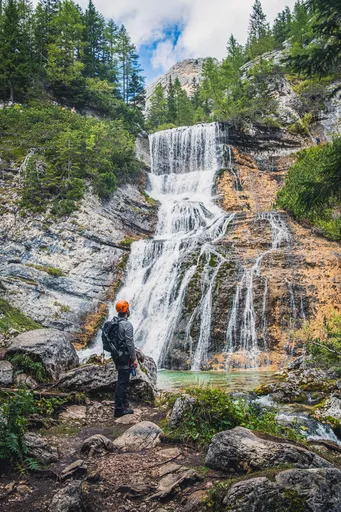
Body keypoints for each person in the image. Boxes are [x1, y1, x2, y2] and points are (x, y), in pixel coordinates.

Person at [113, 300, 138, 418]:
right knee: (122, 381)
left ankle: (123, 404)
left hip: (116, 355)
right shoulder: (127, 325)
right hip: (124, 356)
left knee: (121, 379)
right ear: (126, 310)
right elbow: (129, 342)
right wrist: (134, 358)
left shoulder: (114, 322)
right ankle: (118, 410)